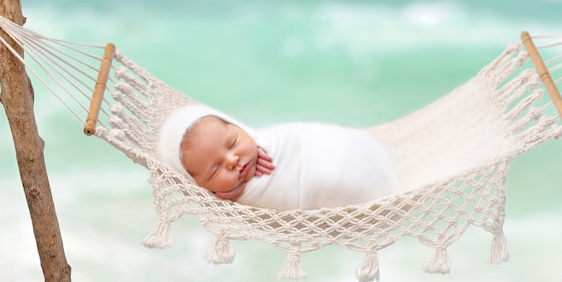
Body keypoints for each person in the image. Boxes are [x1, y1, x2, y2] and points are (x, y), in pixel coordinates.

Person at [157, 105, 400, 210]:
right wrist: (229, 197)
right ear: (200, 186)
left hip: (349, 151)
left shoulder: (264, 145)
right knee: (330, 180)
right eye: (215, 169)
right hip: (350, 193)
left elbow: (291, 144)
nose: (232, 160)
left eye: (233, 143)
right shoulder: (224, 198)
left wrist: (259, 144)